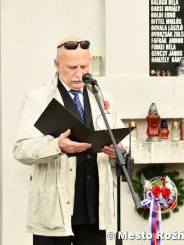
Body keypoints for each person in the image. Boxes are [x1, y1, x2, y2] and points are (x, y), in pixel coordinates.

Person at [14, 36, 126, 245]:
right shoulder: (38, 99)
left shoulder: (102, 97)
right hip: (55, 209)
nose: (79, 73)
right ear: (57, 65)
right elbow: (21, 149)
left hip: (95, 207)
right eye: (72, 67)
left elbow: (122, 141)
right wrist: (57, 145)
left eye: (84, 66)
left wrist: (117, 149)